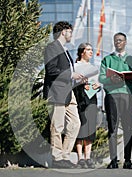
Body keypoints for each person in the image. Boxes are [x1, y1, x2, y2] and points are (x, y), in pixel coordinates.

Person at [43, 21, 86, 168]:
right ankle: (57, 158)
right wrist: (71, 74)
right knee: (58, 126)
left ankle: (65, 156)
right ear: (63, 32)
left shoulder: (66, 51)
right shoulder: (51, 48)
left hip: (69, 93)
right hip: (56, 93)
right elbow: (51, 70)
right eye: (70, 31)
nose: (71, 35)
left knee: (75, 124)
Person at [99, 32, 132, 169]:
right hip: (112, 95)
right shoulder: (107, 59)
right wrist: (111, 79)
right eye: (116, 40)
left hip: (128, 96)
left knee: (128, 128)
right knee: (112, 128)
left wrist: (127, 77)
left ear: (125, 42)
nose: (118, 42)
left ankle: (128, 160)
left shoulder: (131, 60)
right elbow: (101, 78)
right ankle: (113, 161)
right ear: (113, 42)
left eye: (121, 40)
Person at [73, 43, 100, 169]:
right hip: (79, 98)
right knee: (80, 127)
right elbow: (71, 82)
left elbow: (97, 83)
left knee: (90, 128)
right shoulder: (75, 66)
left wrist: (97, 86)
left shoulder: (94, 68)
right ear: (82, 51)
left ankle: (88, 157)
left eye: (92, 49)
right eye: (88, 49)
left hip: (91, 98)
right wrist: (80, 82)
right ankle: (80, 158)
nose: (91, 52)